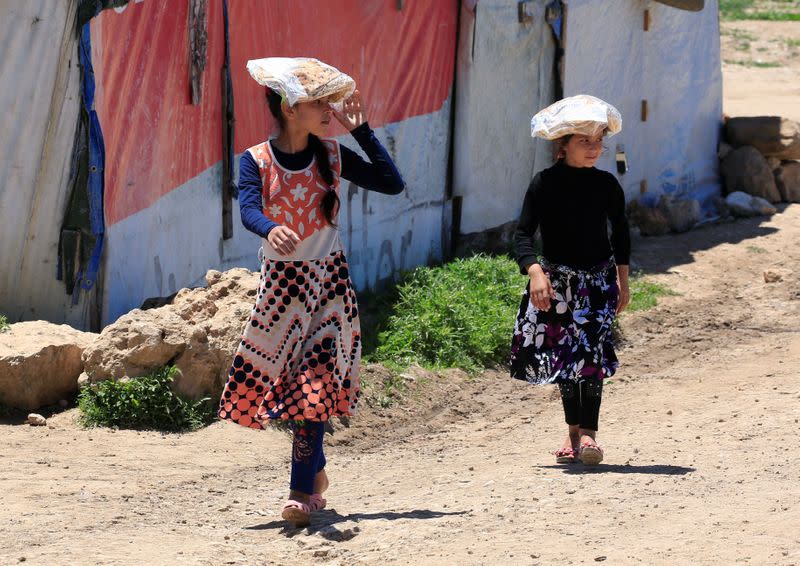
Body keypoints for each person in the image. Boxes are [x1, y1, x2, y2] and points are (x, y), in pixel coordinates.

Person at [218, 58, 404, 526]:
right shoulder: (255, 159)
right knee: (277, 387)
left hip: (328, 288)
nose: (328, 109)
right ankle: (315, 467)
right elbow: (247, 209)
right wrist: (269, 227)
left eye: (329, 101)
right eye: (318, 102)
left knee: (313, 389)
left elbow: (392, 183)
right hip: (280, 291)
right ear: (288, 107)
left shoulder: (335, 155)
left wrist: (362, 131)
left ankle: (300, 492)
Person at [510, 95, 631, 466]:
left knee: (591, 356)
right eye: (585, 142)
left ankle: (589, 434)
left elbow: (621, 236)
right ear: (563, 146)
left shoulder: (607, 185)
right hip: (556, 283)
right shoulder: (544, 183)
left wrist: (623, 282)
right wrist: (535, 273)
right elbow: (521, 235)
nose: (595, 149)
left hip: (597, 282)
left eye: (598, 142)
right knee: (566, 358)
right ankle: (572, 431)